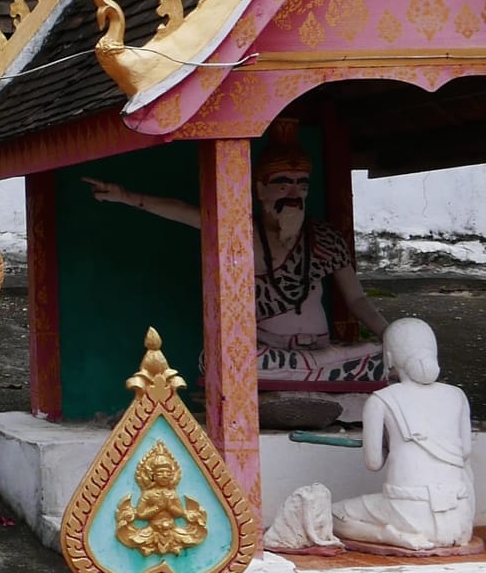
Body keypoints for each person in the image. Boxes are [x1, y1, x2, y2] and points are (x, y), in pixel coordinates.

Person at [88, 121, 387, 406]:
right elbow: (184, 211)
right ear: (260, 190)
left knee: (380, 356)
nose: (294, 193)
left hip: (324, 353)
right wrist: (125, 196)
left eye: (302, 184)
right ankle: (297, 390)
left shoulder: (326, 237)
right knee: (225, 359)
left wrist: (390, 336)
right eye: (282, 183)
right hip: (270, 354)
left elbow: (357, 298)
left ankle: (304, 387)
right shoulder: (242, 231)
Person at [334, 318, 476, 552]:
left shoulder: (380, 400)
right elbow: (464, 452)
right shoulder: (457, 395)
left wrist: (388, 445)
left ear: (388, 357)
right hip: (458, 516)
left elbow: (373, 462)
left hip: (408, 511)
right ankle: (448, 531)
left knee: (333, 515)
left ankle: (389, 535)